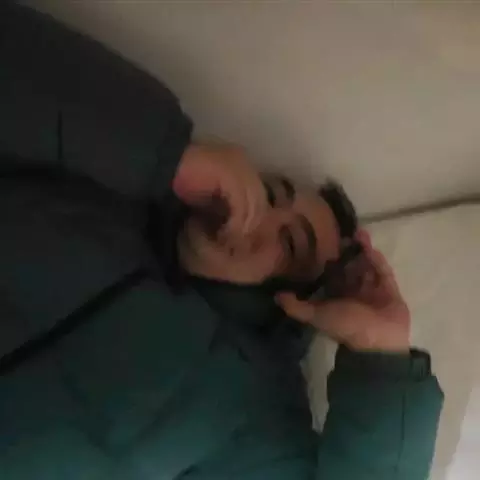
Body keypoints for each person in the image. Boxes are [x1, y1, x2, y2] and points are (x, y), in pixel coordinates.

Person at [0, 3, 443, 480]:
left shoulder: (252, 412)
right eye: (269, 195)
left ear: (292, 302)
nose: (259, 219)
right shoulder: (112, 180)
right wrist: (164, 153)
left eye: (289, 244)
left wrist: (381, 358)